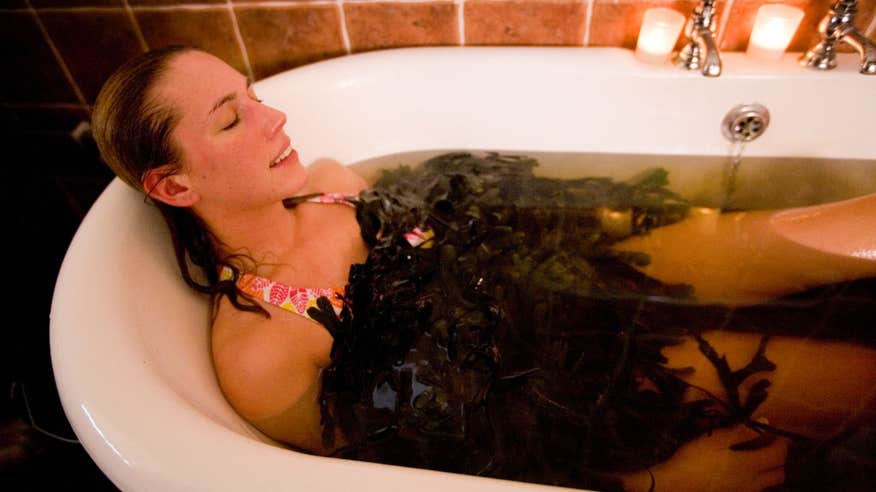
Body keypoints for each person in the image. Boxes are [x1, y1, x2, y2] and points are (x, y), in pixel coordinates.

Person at [90, 46, 876, 492]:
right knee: (854, 383)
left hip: (576, 291)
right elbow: (418, 470)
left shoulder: (334, 178)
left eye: (252, 95)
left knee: (770, 237)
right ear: (172, 186)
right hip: (587, 403)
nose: (276, 117)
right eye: (233, 119)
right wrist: (650, 480)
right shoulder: (264, 355)